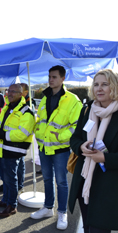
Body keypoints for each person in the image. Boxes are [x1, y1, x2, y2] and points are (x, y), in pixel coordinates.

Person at [31, 65, 82, 230]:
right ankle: (48, 208)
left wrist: (61, 136)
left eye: (54, 77)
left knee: (61, 182)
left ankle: (62, 212)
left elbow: (77, 126)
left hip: (60, 148)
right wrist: (38, 132)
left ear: (62, 79)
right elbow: (41, 120)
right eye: (49, 76)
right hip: (44, 147)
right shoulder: (45, 97)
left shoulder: (73, 100)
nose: (50, 79)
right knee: (46, 179)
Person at [69, 69, 118, 233]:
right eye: (96, 84)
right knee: (88, 227)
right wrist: (81, 146)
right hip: (85, 182)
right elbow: (75, 138)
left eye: (105, 84)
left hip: (108, 188)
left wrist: (104, 158)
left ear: (114, 87)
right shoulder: (87, 109)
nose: (99, 88)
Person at [0, 84, 35, 218]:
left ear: (21, 94)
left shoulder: (26, 111)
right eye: (8, 91)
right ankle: (5, 201)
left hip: (13, 151)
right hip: (3, 149)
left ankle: (12, 206)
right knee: (5, 178)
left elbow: (22, 134)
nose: (9, 94)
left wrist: (1, 134)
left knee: (11, 179)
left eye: (13, 92)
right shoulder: (8, 107)